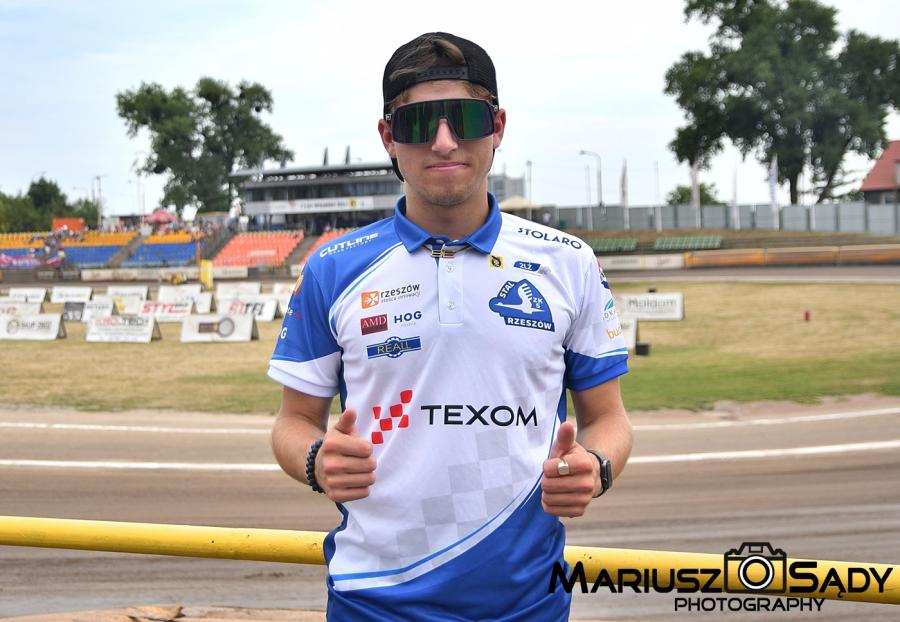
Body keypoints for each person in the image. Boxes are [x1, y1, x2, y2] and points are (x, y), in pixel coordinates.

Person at [269, 31, 632, 621]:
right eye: (417, 123)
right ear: (388, 137)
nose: (444, 141)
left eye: (465, 119)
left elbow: (608, 419)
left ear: (498, 126)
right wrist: (316, 460)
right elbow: (293, 422)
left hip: (526, 604)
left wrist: (598, 466)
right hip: (373, 602)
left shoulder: (569, 262)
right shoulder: (332, 268)